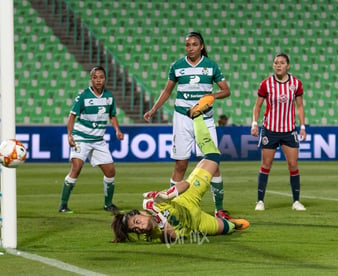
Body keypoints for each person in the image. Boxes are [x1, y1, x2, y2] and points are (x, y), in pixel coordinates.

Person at [112, 96, 249, 243]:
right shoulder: (153, 236)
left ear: (141, 213)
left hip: (188, 199)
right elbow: (173, 236)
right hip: (197, 224)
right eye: (136, 230)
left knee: (214, 157)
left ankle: (196, 116)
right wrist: (158, 216)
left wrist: (166, 195)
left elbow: (186, 185)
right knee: (229, 228)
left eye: (137, 222)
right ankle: (229, 221)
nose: (140, 228)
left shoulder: (155, 203)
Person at [143, 31, 232, 220]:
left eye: (194, 44)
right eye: (187, 45)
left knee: (213, 164)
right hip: (182, 118)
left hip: (204, 118)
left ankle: (219, 209)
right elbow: (167, 91)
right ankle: (171, 207)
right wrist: (153, 109)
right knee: (181, 164)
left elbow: (226, 91)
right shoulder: (177, 66)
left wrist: (211, 97)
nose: (190, 48)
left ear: (201, 47)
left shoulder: (210, 66)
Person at [58, 66, 124, 213]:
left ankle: (108, 204)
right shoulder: (83, 96)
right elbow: (72, 116)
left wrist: (117, 130)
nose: (98, 80)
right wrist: (69, 135)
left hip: (98, 140)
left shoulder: (109, 97)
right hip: (81, 138)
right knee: (76, 168)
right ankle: (63, 205)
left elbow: (112, 116)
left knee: (111, 172)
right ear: (91, 79)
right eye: (95, 77)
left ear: (105, 79)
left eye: (101, 77)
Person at [250, 53, 307, 211]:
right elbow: (258, 106)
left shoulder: (296, 83)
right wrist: (255, 123)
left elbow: (300, 106)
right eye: (276, 63)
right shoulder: (266, 84)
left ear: (288, 65)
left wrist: (302, 127)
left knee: (293, 164)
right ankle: (260, 201)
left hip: (289, 131)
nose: (278, 65)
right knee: (266, 164)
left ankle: (296, 202)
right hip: (270, 130)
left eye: (282, 63)